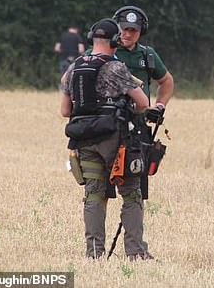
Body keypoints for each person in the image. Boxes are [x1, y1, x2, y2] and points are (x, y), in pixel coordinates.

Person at [60, 18, 150, 260]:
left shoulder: (74, 68)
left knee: (94, 194)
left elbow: (65, 111)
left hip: (84, 140)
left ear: (92, 39)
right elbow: (143, 103)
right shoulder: (115, 68)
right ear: (114, 41)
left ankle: (94, 254)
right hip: (115, 140)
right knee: (131, 193)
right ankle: (135, 253)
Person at [111, 5, 174, 259]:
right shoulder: (106, 52)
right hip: (108, 127)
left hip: (137, 130)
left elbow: (167, 81)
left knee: (135, 190)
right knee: (98, 190)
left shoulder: (147, 56)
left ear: (140, 32)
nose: (127, 34)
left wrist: (159, 105)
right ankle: (95, 252)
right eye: (124, 29)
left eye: (133, 30)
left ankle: (135, 251)